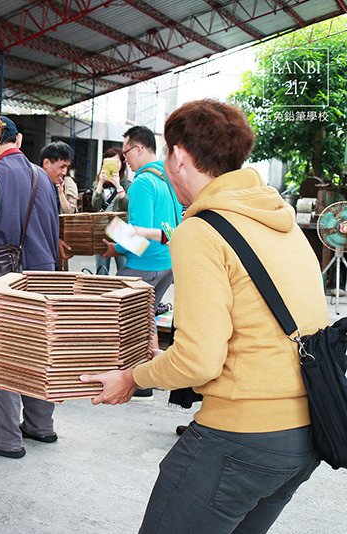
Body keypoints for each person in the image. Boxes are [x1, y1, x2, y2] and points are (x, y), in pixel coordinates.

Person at [82, 99, 327, 534]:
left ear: (178, 155)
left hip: (242, 435)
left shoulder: (196, 224)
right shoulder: (280, 219)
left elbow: (199, 360)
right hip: (306, 433)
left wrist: (131, 378)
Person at [0, 115, 60, 459]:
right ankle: (40, 425)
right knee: (36, 352)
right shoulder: (42, 176)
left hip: (7, 283)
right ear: (17, 140)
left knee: (0, 353)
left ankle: (6, 437)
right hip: (44, 279)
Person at [102, 126, 183, 399]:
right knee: (147, 317)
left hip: (145, 264)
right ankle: (147, 380)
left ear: (138, 149)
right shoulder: (167, 178)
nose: (125, 159)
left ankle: (126, 377)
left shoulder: (142, 183)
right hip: (167, 263)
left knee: (112, 313)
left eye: (126, 152)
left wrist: (113, 245)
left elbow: (139, 234)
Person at [93, 147, 130, 274]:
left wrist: (118, 186)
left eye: (116, 161)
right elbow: (95, 203)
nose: (113, 165)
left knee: (123, 268)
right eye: (109, 161)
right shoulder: (99, 182)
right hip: (102, 227)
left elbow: (126, 205)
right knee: (102, 269)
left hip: (121, 228)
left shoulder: (126, 184)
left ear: (122, 164)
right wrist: (100, 183)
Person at [39, 141, 77, 214]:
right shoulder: (32, 184)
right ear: (46, 163)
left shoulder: (59, 185)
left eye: (67, 167)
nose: (64, 172)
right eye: (62, 167)